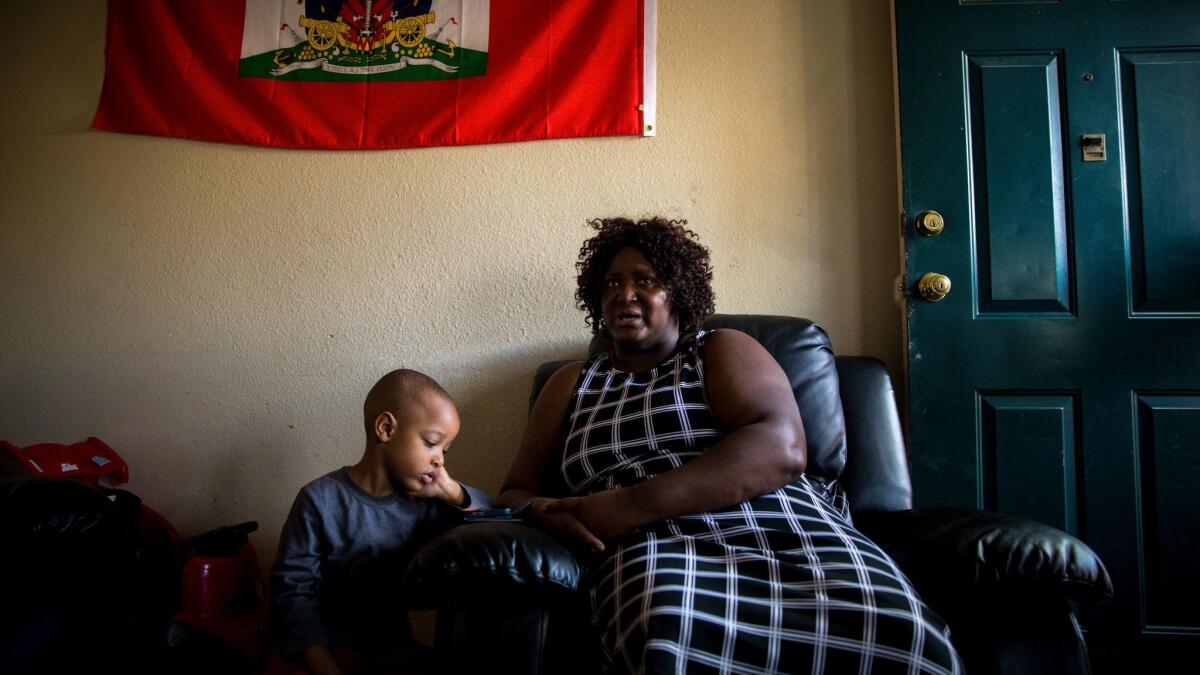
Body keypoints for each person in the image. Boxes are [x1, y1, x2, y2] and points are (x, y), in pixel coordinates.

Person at [500, 217, 963, 673]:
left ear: (677, 292)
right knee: (670, 630)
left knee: (900, 630)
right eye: (611, 283)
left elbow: (780, 447)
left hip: (779, 525)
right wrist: (546, 513)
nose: (624, 294)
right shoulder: (572, 384)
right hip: (657, 549)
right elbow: (515, 491)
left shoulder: (719, 349)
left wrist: (626, 505)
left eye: (645, 280)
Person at [270, 369, 492, 675]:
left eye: (445, 450)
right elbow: (291, 589)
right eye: (431, 443)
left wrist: (452, 492)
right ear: (386, 428)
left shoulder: (426, 504)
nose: (440, 459)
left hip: (391, 649)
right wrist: (320, 660)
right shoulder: (320, 500)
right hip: (321, 650)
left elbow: (496, 517)